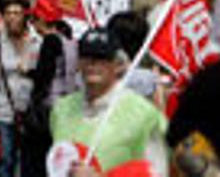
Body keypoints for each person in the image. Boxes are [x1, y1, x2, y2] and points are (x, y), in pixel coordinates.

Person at [50, 27, 169, 176]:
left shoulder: (144, 114)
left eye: (102, 57)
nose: (92, 63)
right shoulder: (61, 109)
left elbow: (159, 172)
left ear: (118, 65)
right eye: (86, 56)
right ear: (79, 63)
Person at [0, 0, 42, 177]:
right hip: (4, 112)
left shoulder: (39, 42)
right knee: (5, 161)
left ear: (25, 15)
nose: (12, 17)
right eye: (8, 13)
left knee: (28, 164)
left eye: (17, 12)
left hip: (29, 113)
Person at [27, 0, 78, 177]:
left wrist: (28, 72)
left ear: (41, 20)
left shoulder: (50, 41)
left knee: (39, 158)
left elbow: (44, 75)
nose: (33, 26)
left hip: (49, 106)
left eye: (33, 20)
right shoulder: (70, 41)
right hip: (68, 104)